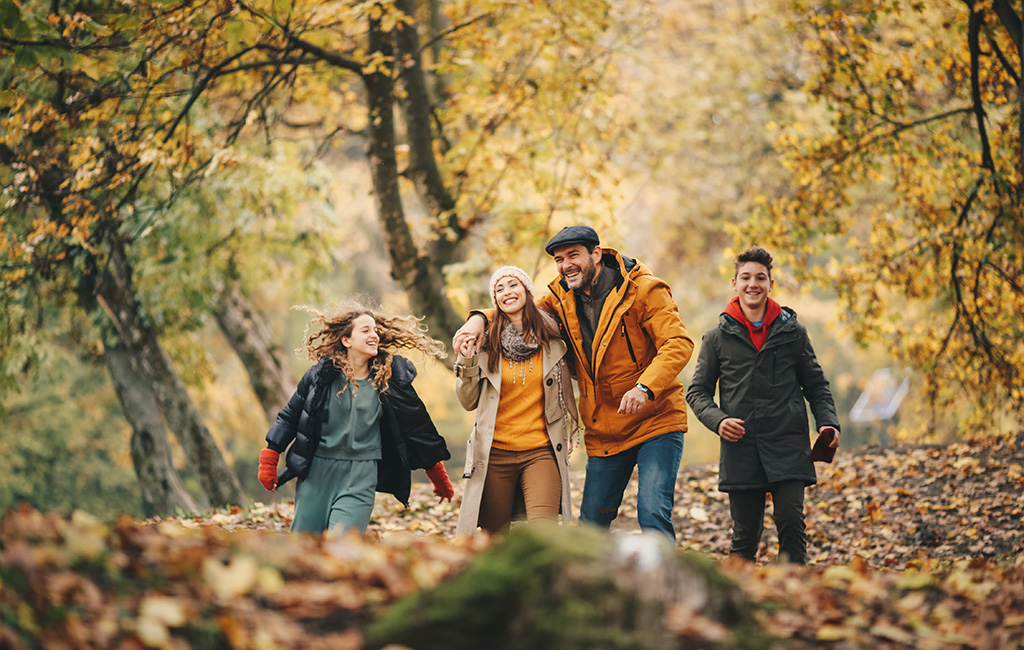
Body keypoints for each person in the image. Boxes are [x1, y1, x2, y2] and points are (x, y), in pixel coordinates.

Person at [453, 226, 694, 540]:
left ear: (596, 253)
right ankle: (590, 586)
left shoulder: (644, 290)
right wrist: (477, 319)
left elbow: (678, 342)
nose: (565, 264)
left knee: (652, 512)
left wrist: (645, 387)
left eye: (573, 255)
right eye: (559, 259)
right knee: (590, 527)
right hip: (606, 427)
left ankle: (665, 586)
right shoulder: (559, 298)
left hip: (656, 420)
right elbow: (517, 307)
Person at [686, 246, 840, 564]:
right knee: (744, 536)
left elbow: (816, 385)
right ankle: (738, 605)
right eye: (746, 277)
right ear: (734, 283)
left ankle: (796, 599)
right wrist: (718, 420)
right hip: (741, 446)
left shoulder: (793, 333)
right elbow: (697, 392)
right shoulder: (716, 338)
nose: (752, 284)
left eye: (760, 277)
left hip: (788, 441)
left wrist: (828, 422)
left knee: (791, 525)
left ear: (771, 284)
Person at [257, 304, 454, 536]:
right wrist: (270, 456)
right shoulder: (320, 377)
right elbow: (290, 416)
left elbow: (418, 429)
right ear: (346, 340)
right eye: (366, 330)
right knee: (304, 545)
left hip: (361, 475)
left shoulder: (391, 381)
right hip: (317, 472)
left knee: (341, 547)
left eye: (375, 330)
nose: (374, 336)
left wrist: (438, 476)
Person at [453, 266, 579, 536]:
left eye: (513, 285)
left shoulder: (553, 340)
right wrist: (467, 361)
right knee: (494, 540)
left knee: (544, 536)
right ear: (495, 300)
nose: (507, 292)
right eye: (499, 289)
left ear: (527, 291)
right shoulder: (484, 343)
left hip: (541, 451)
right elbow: (468, 401)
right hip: (494, 454)